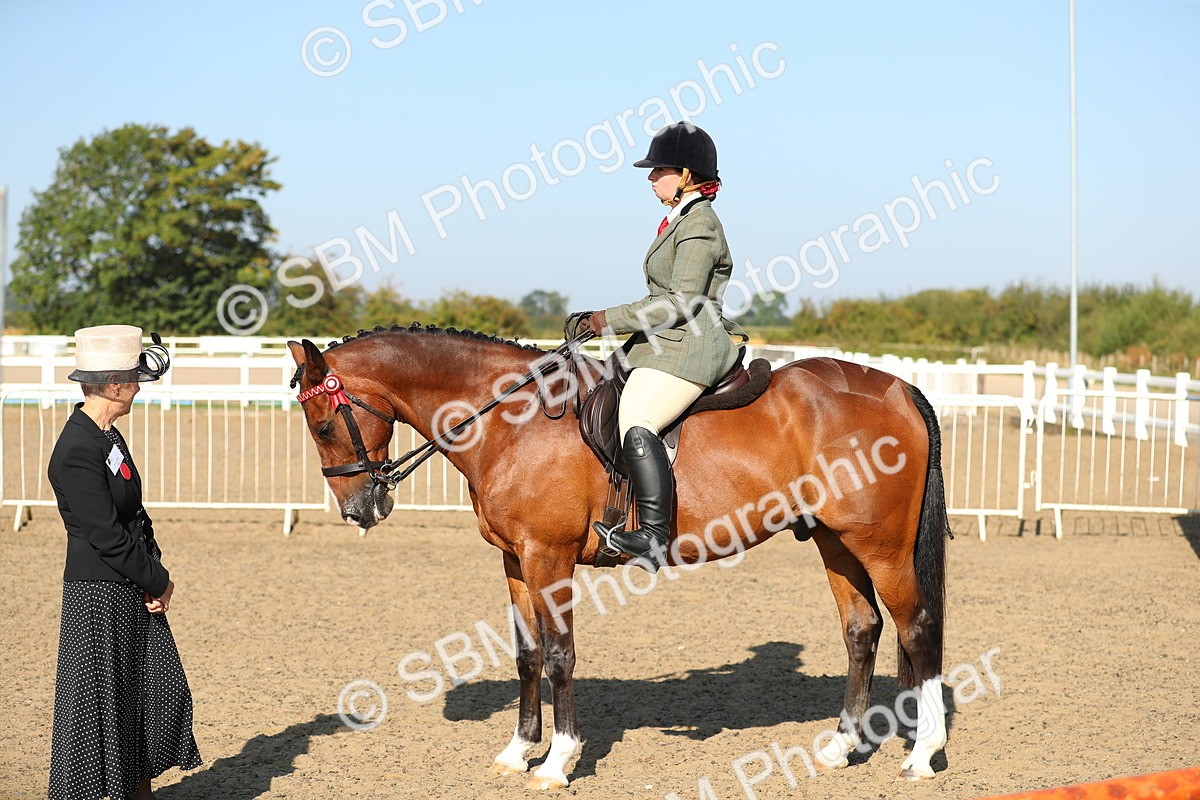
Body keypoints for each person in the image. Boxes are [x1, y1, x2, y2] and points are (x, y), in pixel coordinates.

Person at [583, 122, 748, 571]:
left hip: (691, 344)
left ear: (688, 176)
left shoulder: (701, 225)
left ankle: (654, 536)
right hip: (665, 341)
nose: (651, 177)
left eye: (660, 170)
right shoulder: (681, 220)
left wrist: (607, 320)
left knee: (638, 418)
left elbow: (680, 302)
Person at [47, 325, 200, 800]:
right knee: (101, 706)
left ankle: (138, 790)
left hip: (129, 585)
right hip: (99, 594)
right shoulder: (78, 448)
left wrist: (151, 574)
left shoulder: (107, 436)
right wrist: (160, 580)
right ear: (113, 385)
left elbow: (134, 513)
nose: (139, 385)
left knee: (145, 693)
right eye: (133, 377)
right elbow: (107, 536)